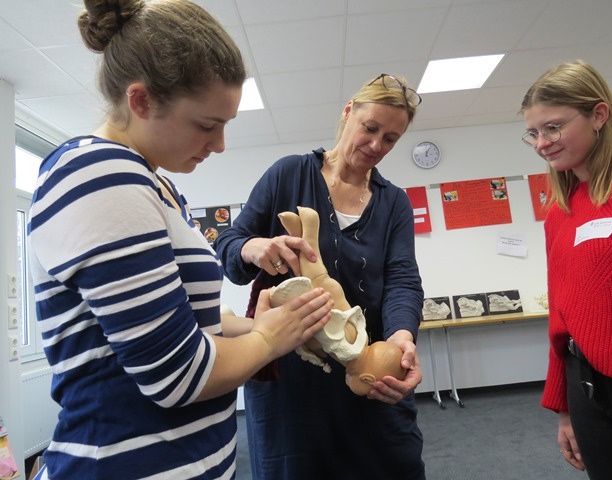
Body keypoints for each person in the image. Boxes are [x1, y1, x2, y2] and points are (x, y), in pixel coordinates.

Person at [26, 1, 334, 479]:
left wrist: (257, 325)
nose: (219, 144)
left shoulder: (157, 185)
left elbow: (187, 326)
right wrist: (273, 338)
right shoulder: (100, 175)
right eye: (207, 125)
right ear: (141, 101)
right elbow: (178, 375)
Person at [214, 73, 426, 479]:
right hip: (291, 374)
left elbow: (402, 279)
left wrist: (402, 335)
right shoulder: (288, 174)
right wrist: (252, 247)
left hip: (367, 365)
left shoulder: (394, 202)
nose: (376, 145)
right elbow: (230, 243)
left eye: (391, 139)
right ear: (348, 113)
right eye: (370, 128)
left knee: (392, 465)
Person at [520, 60, 612, 480]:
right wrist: (564, 407)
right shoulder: (560, 211)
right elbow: (563, 314)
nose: (541, 143)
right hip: (586, 387)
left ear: (599, 115)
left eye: (553, 127)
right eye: (533, 132)